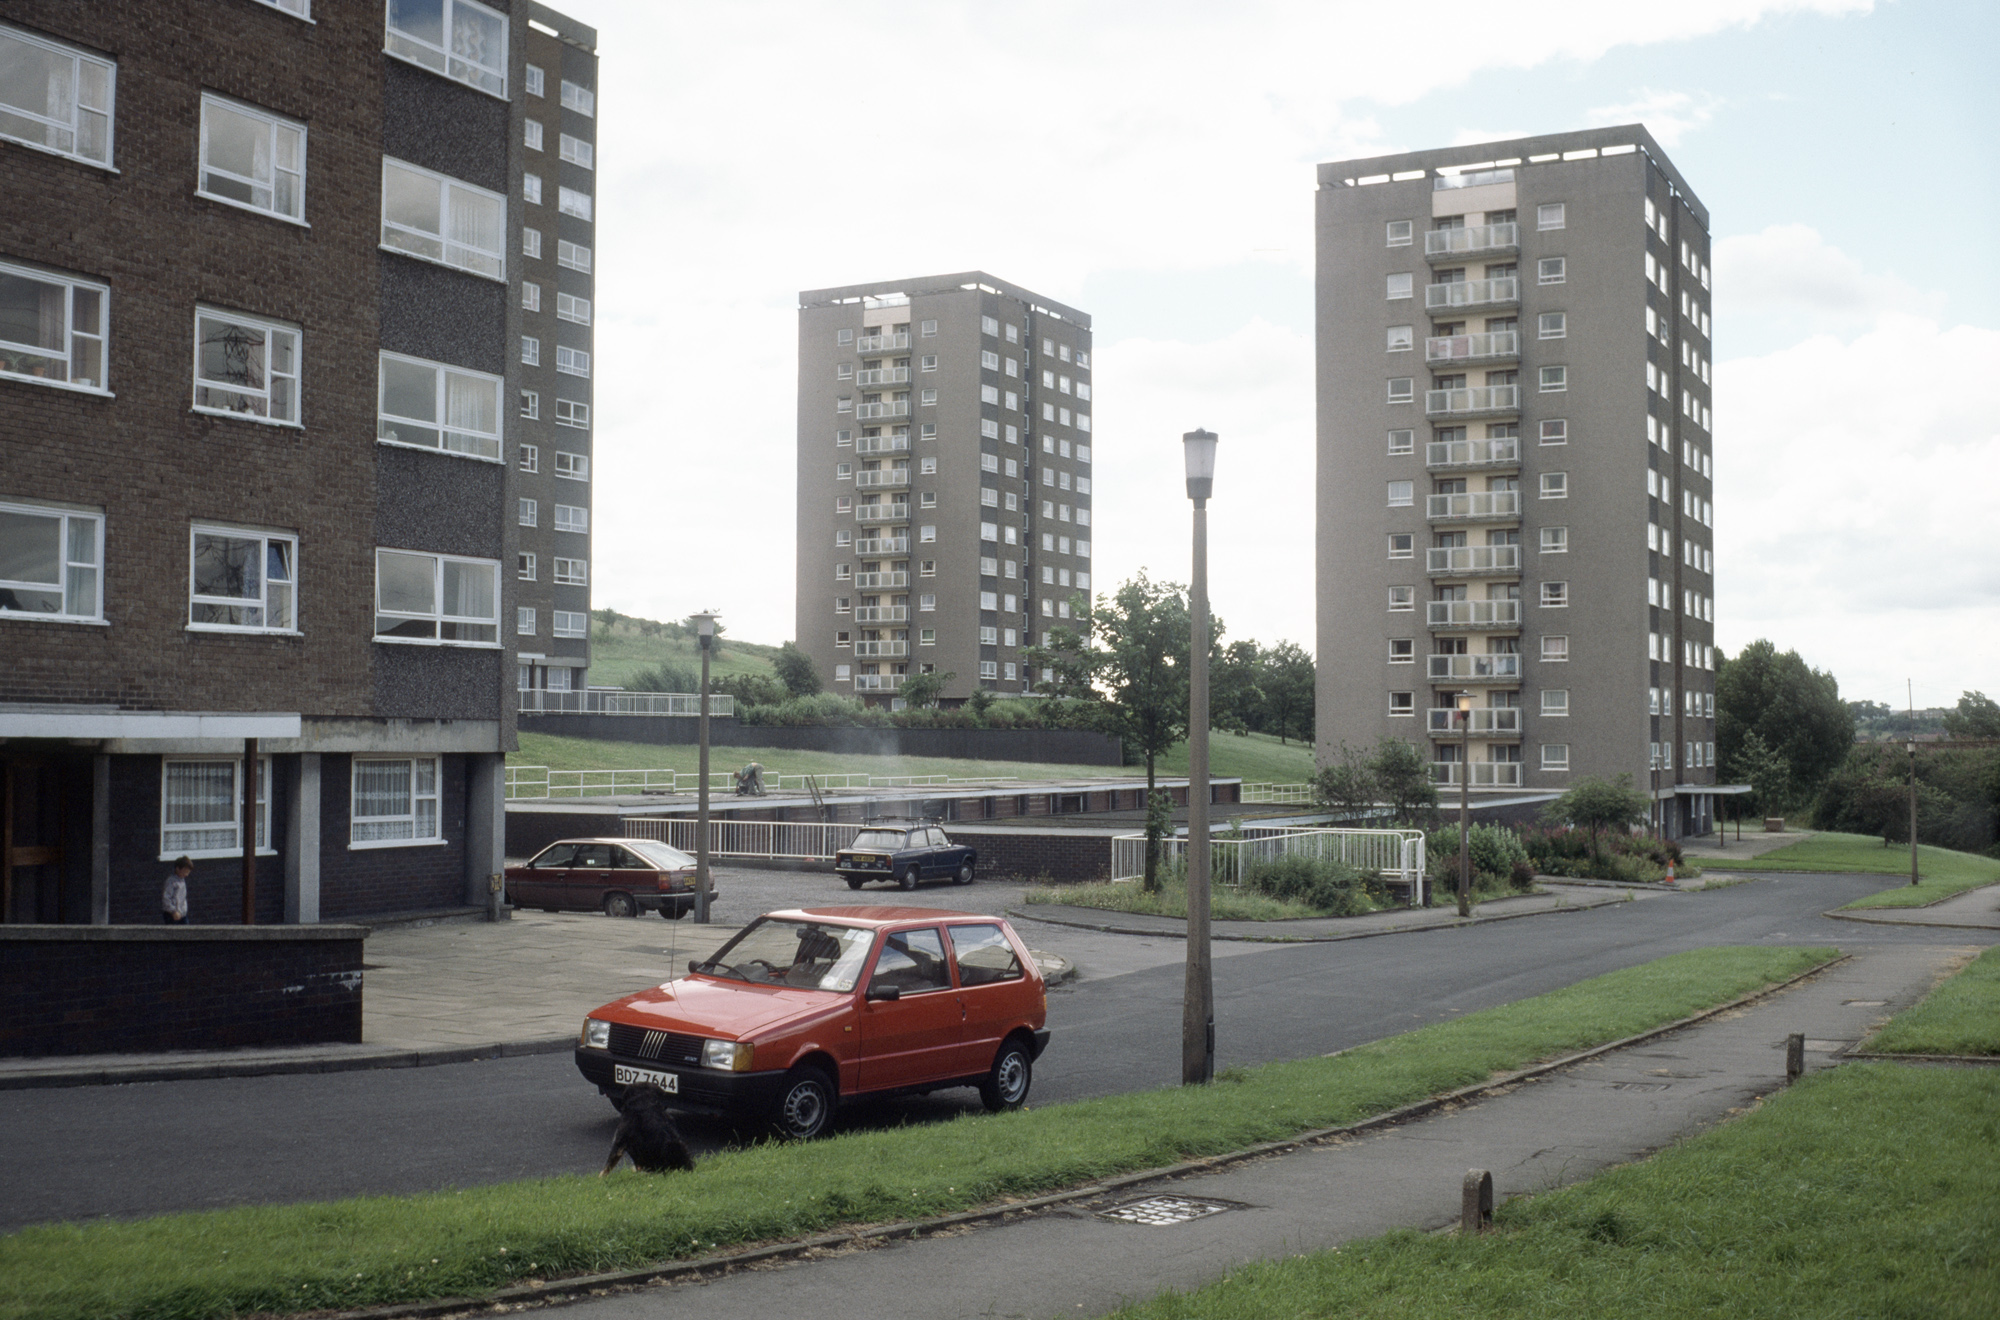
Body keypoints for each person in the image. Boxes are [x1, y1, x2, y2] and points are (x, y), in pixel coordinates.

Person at [162, 856, 191, 924]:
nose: (186, 874)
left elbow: (182, 898)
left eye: (188, 872)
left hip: (182, 914)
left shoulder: (182, 881)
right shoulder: (171, 881)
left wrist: (183, 911)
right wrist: (173, 911)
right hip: (172, 914)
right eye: (185, 872)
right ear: (178, 869)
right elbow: (166, 898)